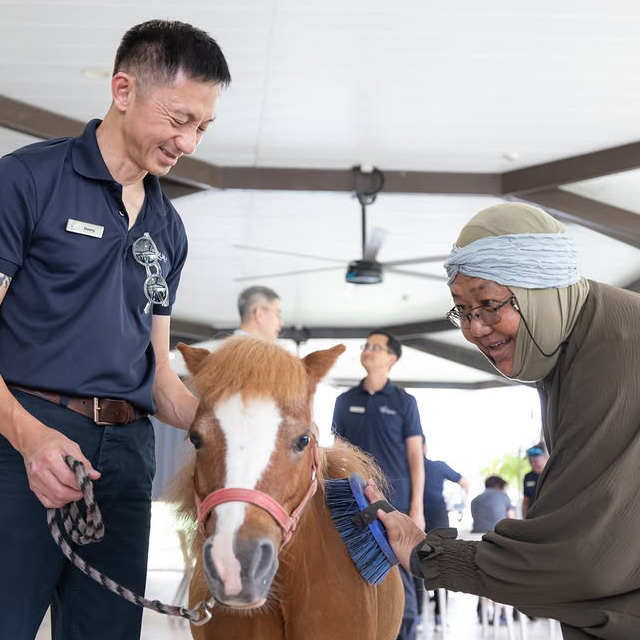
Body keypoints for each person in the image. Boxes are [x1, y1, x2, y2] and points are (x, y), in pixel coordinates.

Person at [0, 20, 230, 640]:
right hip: (21, 443)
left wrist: (231, 422)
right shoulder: (24, 181)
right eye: (179, 118)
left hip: (126, 461)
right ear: (123, 90)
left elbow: (159, 378)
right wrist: (30, 439)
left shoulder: (168, 227)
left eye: (202, 127)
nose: (189, 142)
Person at [365, 202, 640, 640]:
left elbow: (583, 560)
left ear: (543, 290)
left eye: (489, 305)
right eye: (463, 311)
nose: (475, 329)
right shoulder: (572, 348)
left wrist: (426, 555)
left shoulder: (616, 352)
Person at [332, 330, 425, 640]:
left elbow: (416, 457)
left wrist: (416, 508)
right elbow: (337, 454)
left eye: (376, 346)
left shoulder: (405, 402)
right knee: (351, 575)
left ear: (391, 358)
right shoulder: (345, 401)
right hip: (353, 504)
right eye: (366, 346)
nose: (368, 351)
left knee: (403, 588)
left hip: (396, 505)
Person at [419, 438, 469, 629]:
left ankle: (418, 615)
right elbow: (465, 482)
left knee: (415, 560)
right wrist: (461, 504)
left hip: (417, 516)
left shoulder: (405, 466)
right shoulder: (439, 466)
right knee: (440, 562)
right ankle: (440, 614)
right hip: (438, 518)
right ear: (425, 447)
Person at [522, 443, 549, 519]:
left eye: (536, 460)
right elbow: (525, 500)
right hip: (533, 517)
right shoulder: (528, 477)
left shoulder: (554, 474)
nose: (533, 464)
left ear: (546, 457)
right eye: (530, 462)